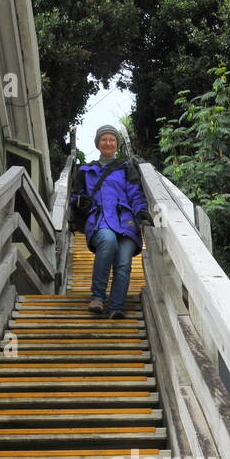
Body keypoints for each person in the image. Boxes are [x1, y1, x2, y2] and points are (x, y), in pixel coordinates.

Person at [69, 125, 154, 317]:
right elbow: (76, 196)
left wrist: (141, 212)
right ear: (98, 144)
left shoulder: (126, 168)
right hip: (99, 220)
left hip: (126, 222)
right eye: (104, 139)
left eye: (112, 140)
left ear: (117, 144)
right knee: (108, 241)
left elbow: (135, 194)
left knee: (123, 262)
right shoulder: (85, 170)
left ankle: (116, 307)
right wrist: (80, 203)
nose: (108, 143)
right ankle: (97, 298)